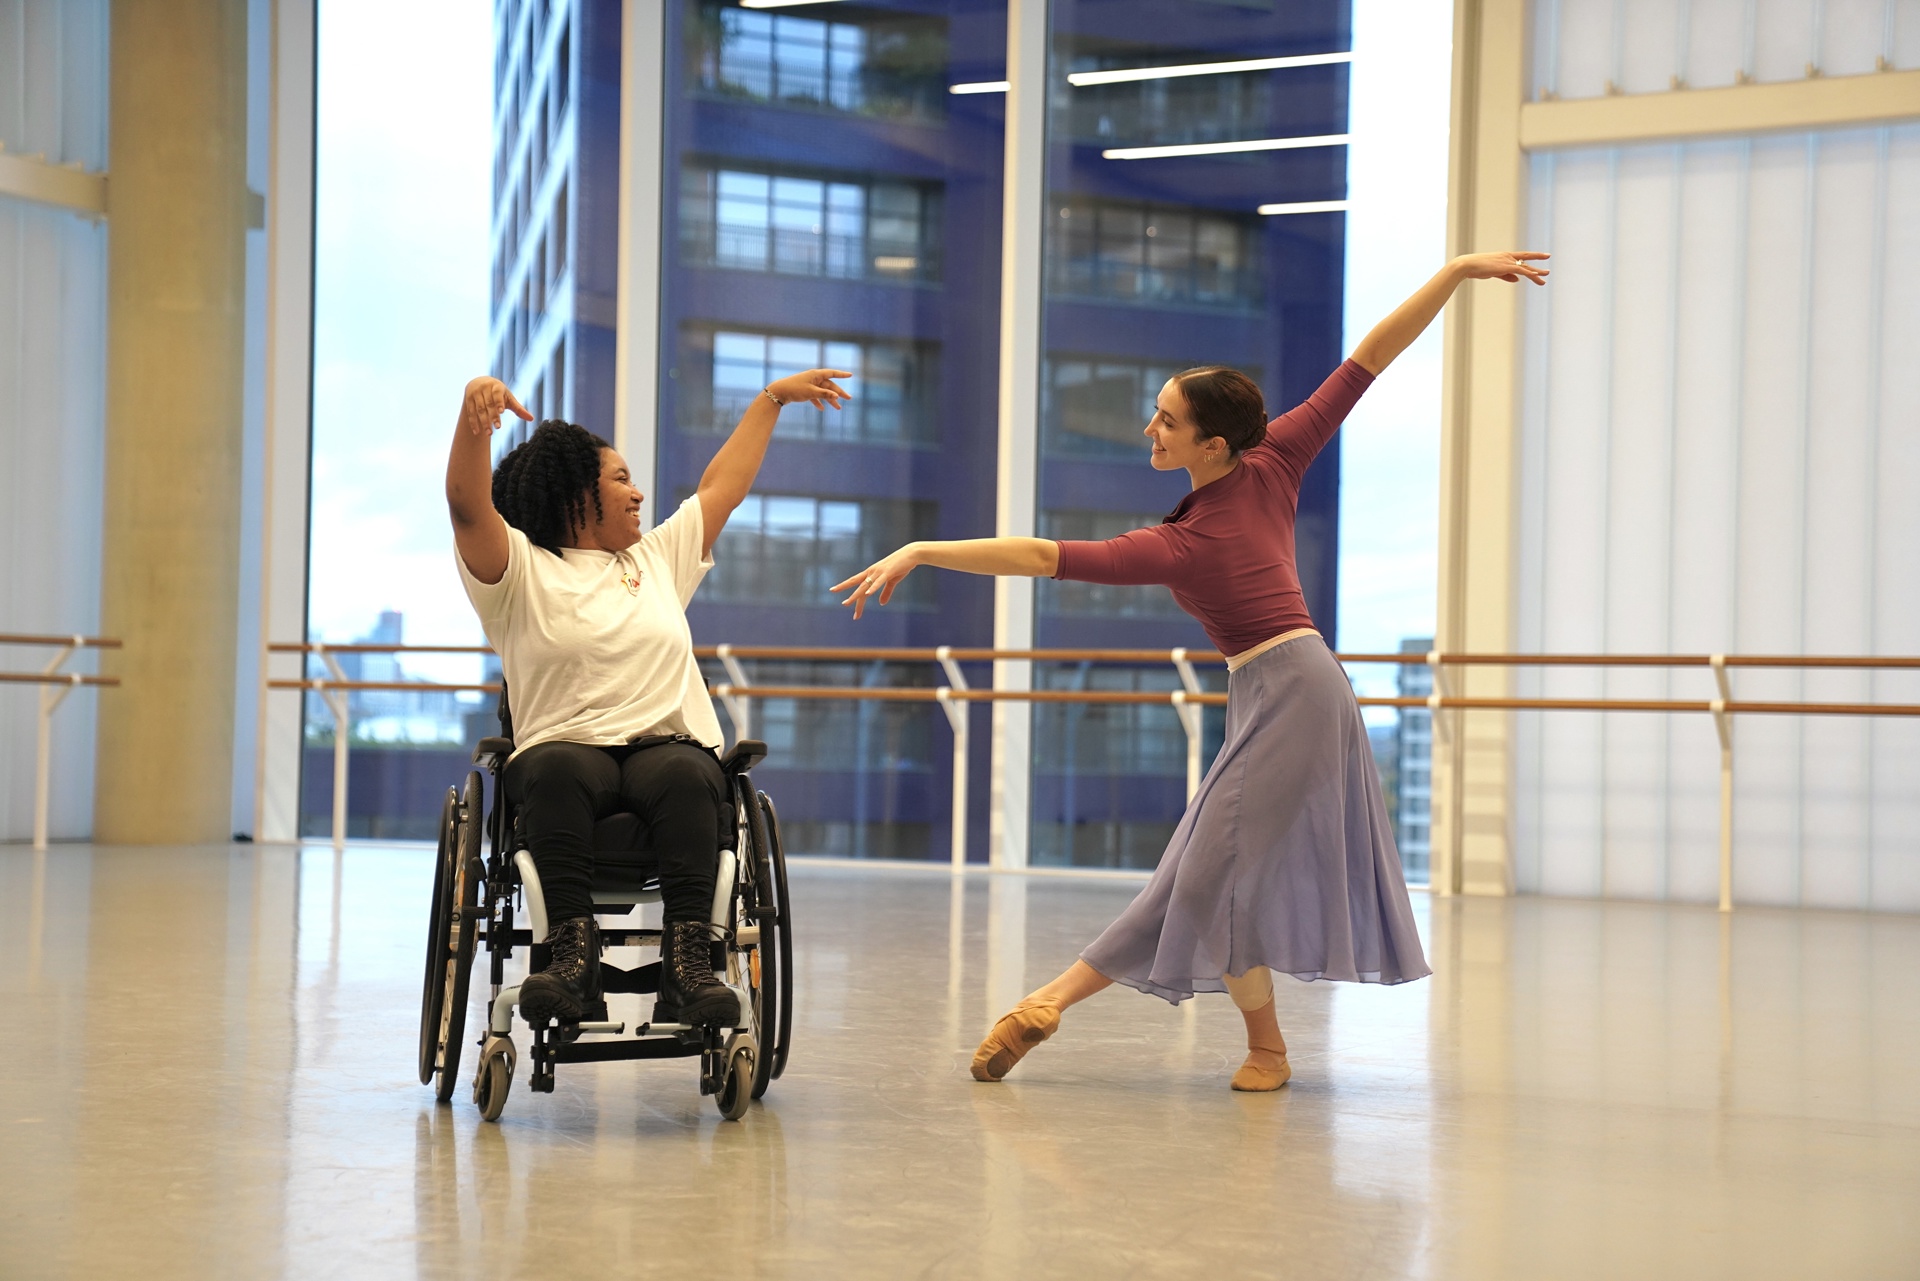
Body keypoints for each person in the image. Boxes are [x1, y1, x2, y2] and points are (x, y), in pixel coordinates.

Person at [833, 251, 1549, 1090]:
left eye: (1167, 421)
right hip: (1272, 690)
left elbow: (1370, 357)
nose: (1151, 429)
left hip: (1299, 693)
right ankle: (1267, 1049)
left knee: (1201, 873)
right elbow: (1367, 355)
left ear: (1214, 443)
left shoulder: (1251, 479)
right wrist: (1458, 269)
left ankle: (1048, 1003)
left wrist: (924, 549)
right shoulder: (1222, 499)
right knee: (1218, 879)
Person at [446, 367, 852, 1029]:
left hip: (665, 748)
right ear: (578, 493)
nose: (638, 495)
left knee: (693, 773)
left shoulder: (656, 559)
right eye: (621, 480)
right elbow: (468, 507)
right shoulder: (519, 571)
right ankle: (570, 960)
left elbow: (723, 486)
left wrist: (772, 398)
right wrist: (472, 423)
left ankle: (691, 967)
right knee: (551, 768)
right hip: (564, 752)